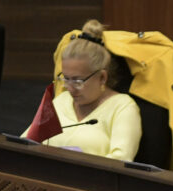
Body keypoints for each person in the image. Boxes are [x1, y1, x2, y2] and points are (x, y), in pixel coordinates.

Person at [30, 19, 141, 161]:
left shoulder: (123, 107)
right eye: (66, 79)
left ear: (102, 77)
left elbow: (120, 161)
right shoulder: (61, 101)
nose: (70, 88)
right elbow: (27, 143)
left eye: (77, 81)